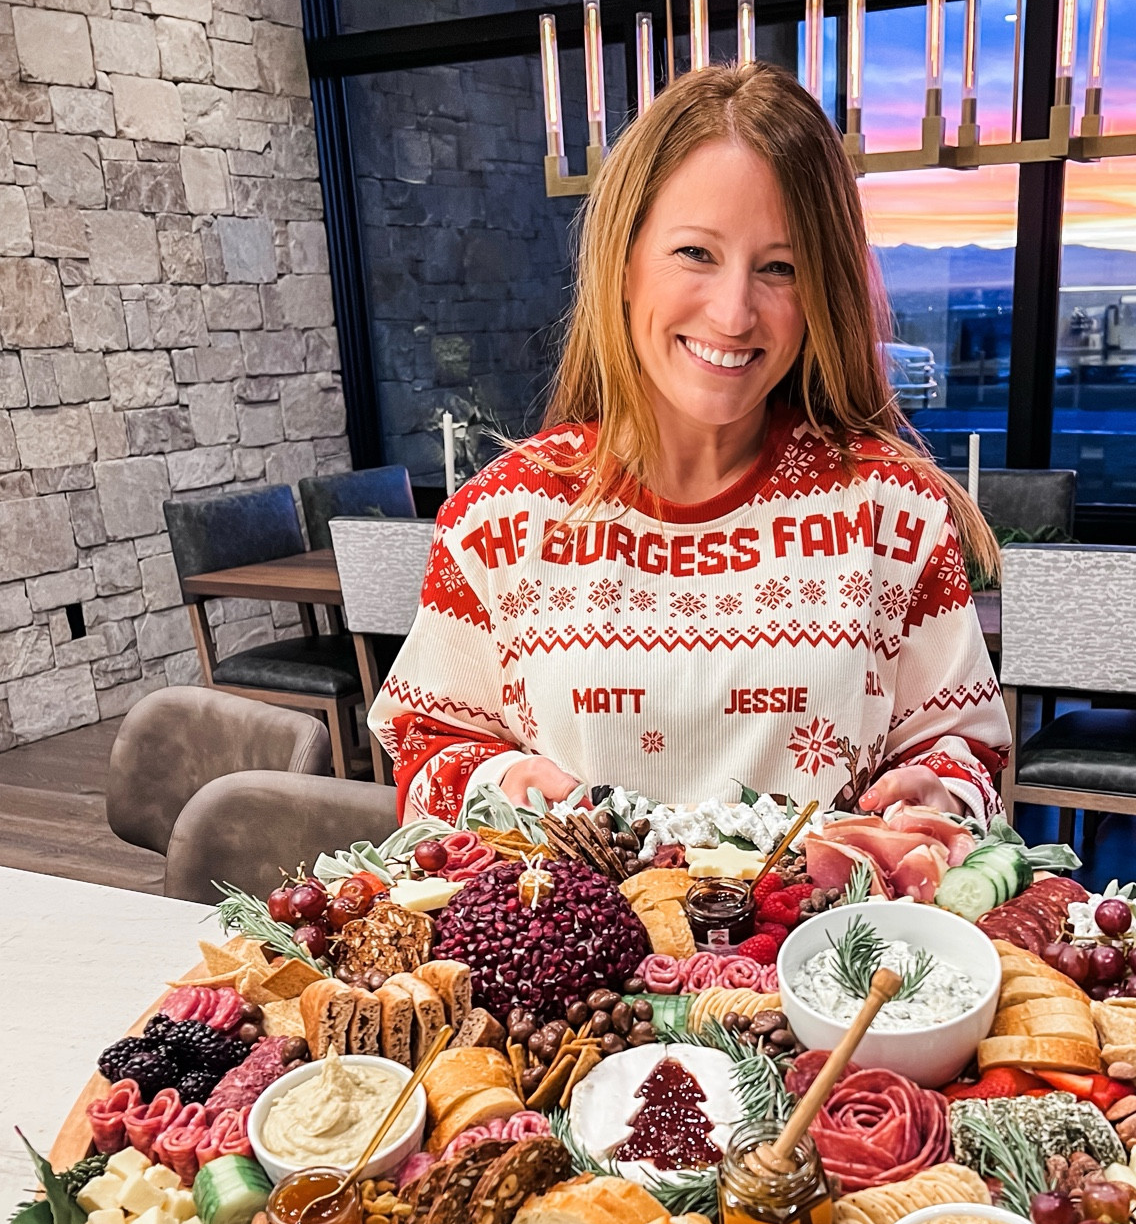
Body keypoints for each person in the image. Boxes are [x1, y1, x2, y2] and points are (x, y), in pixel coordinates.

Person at [369, 63, 1011, 825]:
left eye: (781, 268)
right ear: (625, 265)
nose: (735, 313)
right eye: (696, 254)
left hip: (826, 942)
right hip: (583, 941)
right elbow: (429, 752)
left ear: (820, 296)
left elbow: (967, 758)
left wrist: (940, 791)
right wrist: (498, 784)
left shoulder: (894, 512)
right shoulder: (498, 518)